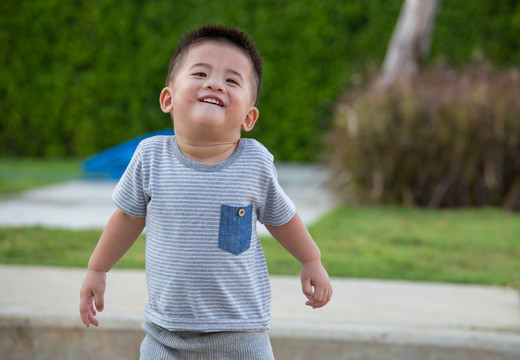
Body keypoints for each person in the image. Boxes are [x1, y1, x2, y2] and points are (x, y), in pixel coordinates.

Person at [79, 24, 332, 360]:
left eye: (232, 80)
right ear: (168, 99)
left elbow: (282, 217)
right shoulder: (150, 157)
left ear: (249, 117)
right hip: (165, 335)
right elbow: (126, 216)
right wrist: (97, 268)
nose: (215, 83)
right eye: (200, 73)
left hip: (241, 335)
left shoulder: (254, 163)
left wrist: (310, 259)